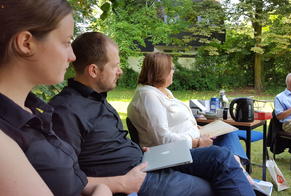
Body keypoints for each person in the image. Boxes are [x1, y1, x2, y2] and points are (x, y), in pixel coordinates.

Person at [49, 32, 255, 196]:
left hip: (149, 160)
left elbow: (107, 143)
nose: (120, 71)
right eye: (116, 66)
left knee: (220, 156)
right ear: (93, 70)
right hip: (134, 177)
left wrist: (140, 150)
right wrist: (119, 183)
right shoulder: (66, 110)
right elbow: (65, 179)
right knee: (215, 185)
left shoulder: (98, 100)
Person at [0, 0, 113, 195]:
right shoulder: (6, 135)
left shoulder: (33, 112)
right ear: (26, 43)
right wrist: (103, 190)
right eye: (67, 42)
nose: (73, 56)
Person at [127, 52, 253, 183]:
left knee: (228, 133)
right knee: (222, 154)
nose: (173, 72)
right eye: (171, 68)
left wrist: (196, 127)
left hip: (191, 140)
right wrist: (197, 143)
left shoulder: (162, 92)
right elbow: (162, 139)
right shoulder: (148, 96)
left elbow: (174, 123)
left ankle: (240, 172)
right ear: (161, 71)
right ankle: (243, 177)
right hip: (174, 153)